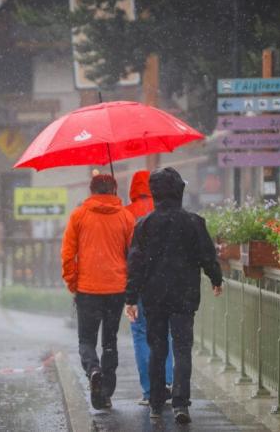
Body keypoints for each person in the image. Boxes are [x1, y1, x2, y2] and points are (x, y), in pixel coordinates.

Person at [125, 167, 223, 424]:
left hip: (154, 297)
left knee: (157, 349)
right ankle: (181, 403)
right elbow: (207, 256)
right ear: (179, 191)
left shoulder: (144, 225)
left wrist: (130, 298)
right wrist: (216, 279)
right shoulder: (193, 222)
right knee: (182, 349)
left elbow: (135, 264)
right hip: (184, 294)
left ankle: (156, 403)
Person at [61, 174, 135, 410]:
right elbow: (133, 255)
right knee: (110, 340)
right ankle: (106, 391)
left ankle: (93, 369)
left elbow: (67, 254)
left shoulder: (79, 215)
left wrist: (73, 282)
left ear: (92, 191)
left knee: (86, 339)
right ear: (114, 190)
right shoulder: (125, 217)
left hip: (87, 289)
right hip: (116, 288)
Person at [125, 170, 174, 406]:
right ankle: (166, 382)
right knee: (165, 333)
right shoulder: (165, 210)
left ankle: (149, 390)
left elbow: (128, 253)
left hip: (139, 282)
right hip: (164, 280)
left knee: (141, 333)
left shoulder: (127, 214)